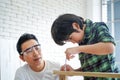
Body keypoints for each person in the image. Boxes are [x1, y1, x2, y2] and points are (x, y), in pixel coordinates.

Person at [51, 13, 120, 80]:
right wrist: (74, 71)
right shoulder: (81, 42)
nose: (72, 42)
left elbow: (110, 47)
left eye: (71, 38)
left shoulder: (97, 27)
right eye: (68, 41)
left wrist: (78, 49)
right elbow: (90, 68)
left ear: (76, 26)